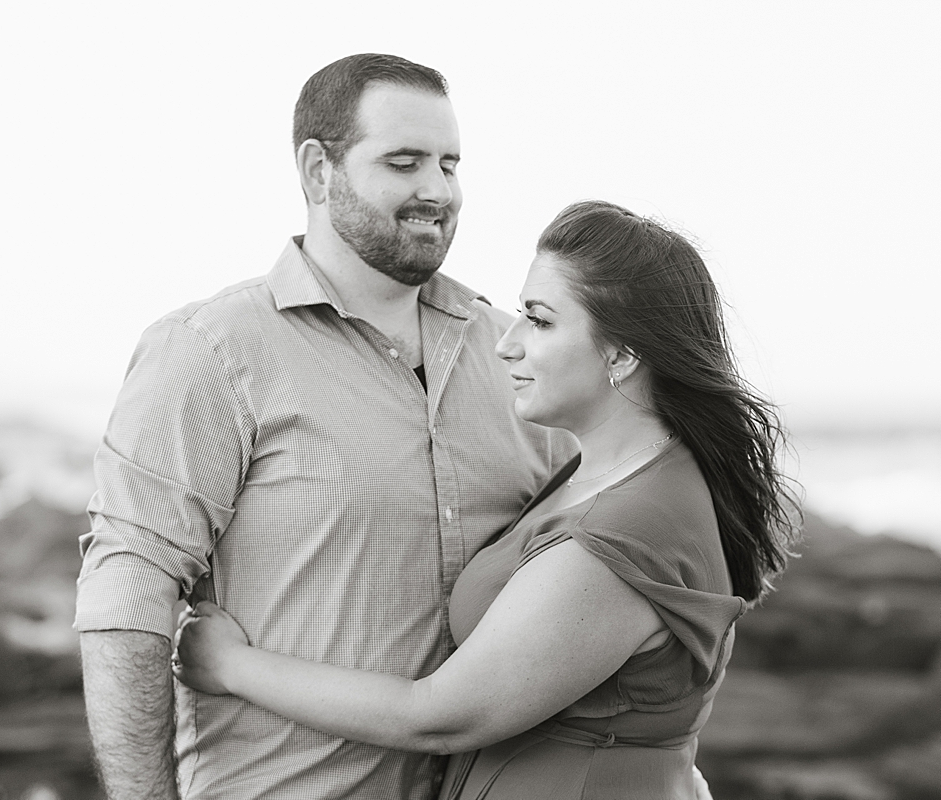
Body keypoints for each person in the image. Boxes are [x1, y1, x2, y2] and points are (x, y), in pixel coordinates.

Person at [75, 54, 578, 800]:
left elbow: (592, 566)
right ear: (318, 171)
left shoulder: (517, 356)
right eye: (404, 163)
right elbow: (127, 603)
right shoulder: (212, 352)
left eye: (450, 163)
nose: (437, 191)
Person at [174, 200, 800, 799]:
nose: (507, 342)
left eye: (541, 319)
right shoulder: (605, 474)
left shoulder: (628, 525)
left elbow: (438, 718)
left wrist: (231, 665)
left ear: (624, 351)